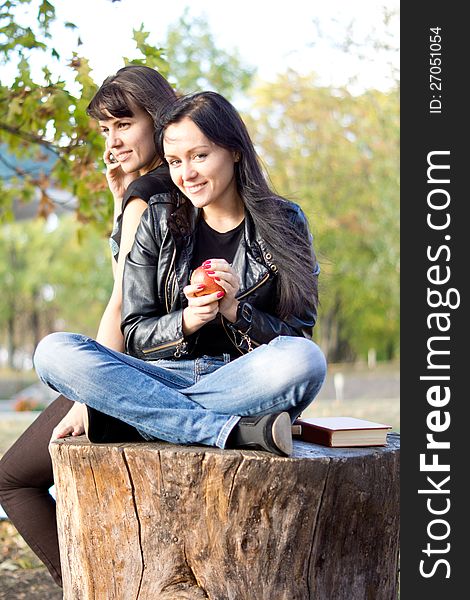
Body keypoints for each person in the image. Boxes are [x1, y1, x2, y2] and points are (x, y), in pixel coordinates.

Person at [33, 91, 327, 460]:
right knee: (54, 351)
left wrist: (237, 313)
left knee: (305, 360)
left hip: (242, 380)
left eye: (199, 156)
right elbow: (136, 332)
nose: (186, 175)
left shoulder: (284, 222)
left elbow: (297, 334)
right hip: (159, 375)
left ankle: (138, 420)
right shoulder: (158, 218)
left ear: (234, 151)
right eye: (174, 161)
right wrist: (185, 321)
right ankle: (230, 432)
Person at [0, 65, 177, 587]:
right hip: (172, 363)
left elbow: (123, 302)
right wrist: (121, 200)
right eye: (105, 130)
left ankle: (85, 589)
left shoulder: (149, 196)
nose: (113, 140)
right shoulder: (181, 185)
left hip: (137, 370)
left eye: (124, 124)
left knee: (11, 480)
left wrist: (87, 394)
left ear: (159, 118)